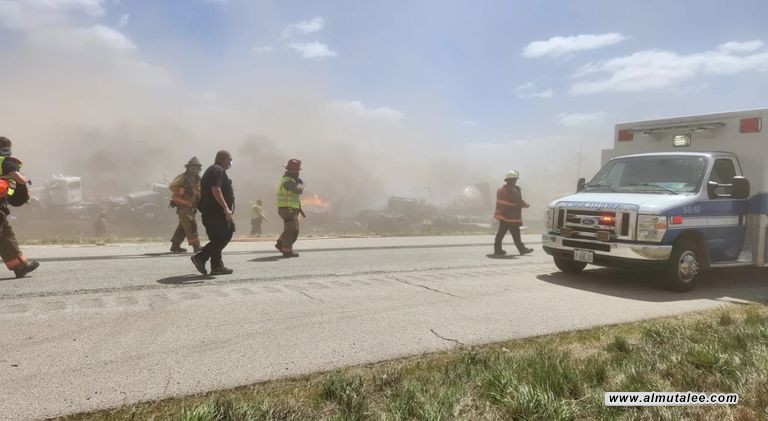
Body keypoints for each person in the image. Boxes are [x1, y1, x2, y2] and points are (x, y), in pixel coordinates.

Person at [191, 151, 235, 275]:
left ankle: (217, 266)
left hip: (210, 212)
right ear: (224, 159)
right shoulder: (217, 170)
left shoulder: (213, 170)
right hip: (216, 213)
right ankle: (201, 257)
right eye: (230, 160)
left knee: (216, 239)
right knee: (225, 235)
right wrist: (226, 208)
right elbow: (216, 189)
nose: (230, 163)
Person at [0, 136, 39, 277]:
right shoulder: (6, 163)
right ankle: (20, 266)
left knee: (5, 236)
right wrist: (26, 179)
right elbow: (19, 179)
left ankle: (20, 266)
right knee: (6, 236)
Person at [493, 170, 534, 256]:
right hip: (511, 217)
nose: (516, 181)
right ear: (512, 180)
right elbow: (518, 201)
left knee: (501, 233)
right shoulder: (512, 190)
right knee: (516, 234)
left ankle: (497, 250)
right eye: (515, 180)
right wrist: (526, 205)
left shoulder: (500, 190)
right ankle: (522, 249)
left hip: (503, 216)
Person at [169, 157, 202, 253]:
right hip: (184, 207)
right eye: (192, 167)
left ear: (199, 168)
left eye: (196, 167)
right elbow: (172, 187)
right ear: (188, 168)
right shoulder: (183, 178)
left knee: (183, 227)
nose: (194, 169)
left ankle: (175, 246)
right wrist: (183, 190)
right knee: (192, 225)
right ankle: (196, 246)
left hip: (192, 207)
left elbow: (199, 191)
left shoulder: (198, 179)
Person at [275, 159, 303, 257]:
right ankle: (287, 250)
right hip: (287, 209)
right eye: (296, 170)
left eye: (298, 170)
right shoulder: (288, 181)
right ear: (291, 170)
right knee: (291, 230)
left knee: (292, 230)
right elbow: (298, 191)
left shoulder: (291, 180)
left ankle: (280, 243)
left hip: (290, 209)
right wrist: (301, 185)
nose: (298, 172)